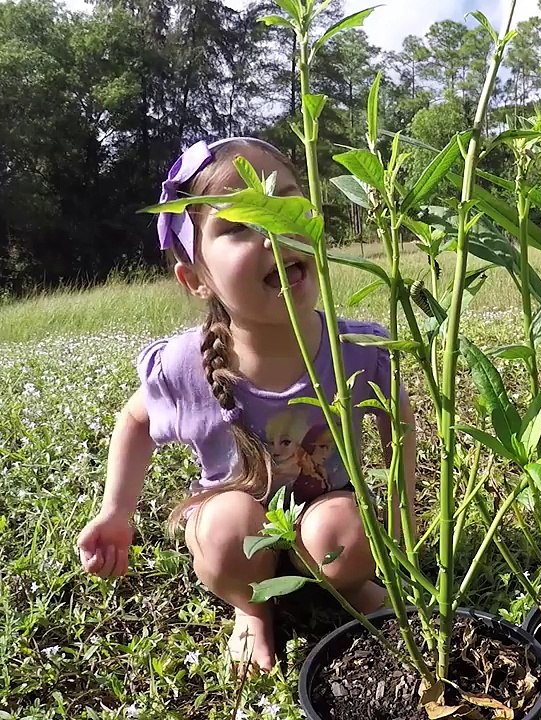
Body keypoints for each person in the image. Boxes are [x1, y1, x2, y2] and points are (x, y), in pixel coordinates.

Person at [75, 137, 416, 673]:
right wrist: (116, 512)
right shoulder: (187, 364)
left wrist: (401, 506)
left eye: (285, 202)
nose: (273, 228)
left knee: (346, 536)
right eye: (237, 224)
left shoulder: (355, 348)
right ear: (196, 278)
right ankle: (252, 606)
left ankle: (351, 586)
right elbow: (136, 420)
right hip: (232, 520)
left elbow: (397, 415)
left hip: (323, 510)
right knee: (228, 527)